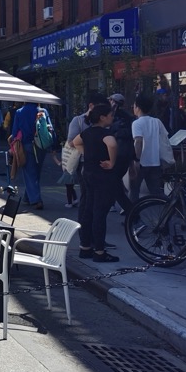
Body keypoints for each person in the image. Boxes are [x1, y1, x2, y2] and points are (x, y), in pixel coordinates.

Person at [72, 104, 119, 262]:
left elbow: (75, 142)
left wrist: (88, 153)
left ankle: (85, 247)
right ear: (102, 117)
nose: (112, 117)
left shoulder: (87, 132)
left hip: (88, 171)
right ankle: (99, 251)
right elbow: (112, 144)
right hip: (102, 174)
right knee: (100, 212)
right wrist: (112, 162)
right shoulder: (105, 133)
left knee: (88, 209)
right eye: (110, 115)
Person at [130, 93, 169, 204]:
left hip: (141, 162)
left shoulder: (136, 123)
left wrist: (136, 160)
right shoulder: (157, 121)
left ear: (137, 107)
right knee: (156, 191)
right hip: (155, 161)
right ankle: (172, 208)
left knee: (134, 190)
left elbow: (138, 141)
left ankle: (134, 217)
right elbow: (164, 139)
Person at [11, 101, 43, 209]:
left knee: (29, 172)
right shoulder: (42, 111)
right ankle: (27, 197)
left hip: (26, 144)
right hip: (41, 145)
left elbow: (15, 131)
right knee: (36, 171)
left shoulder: (20, 112)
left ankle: (35, 199)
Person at [108, 93, 135, 215]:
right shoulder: (129, 118)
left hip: (115, 155)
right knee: (115, 182)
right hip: (127, 155)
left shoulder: (111, 117)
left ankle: (132, 213)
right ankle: (111, 203)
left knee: (114, 184)